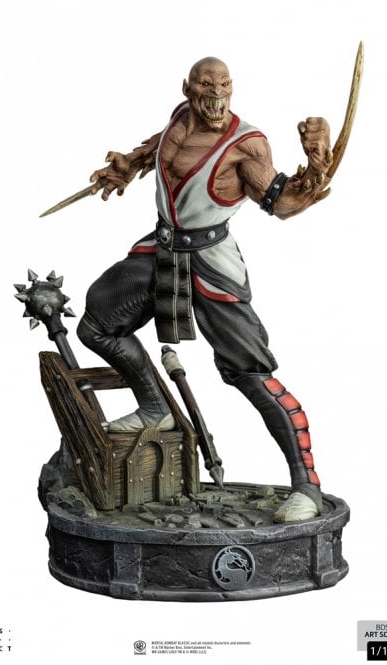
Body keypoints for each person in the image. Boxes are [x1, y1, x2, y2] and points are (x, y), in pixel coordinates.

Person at [76, 57, 332, 522]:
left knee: (248, 372)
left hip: (210, 263)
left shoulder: (246, 145)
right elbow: (163, 148)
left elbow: (284, 202)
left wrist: (317, 164)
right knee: (97, 323)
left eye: (224, 86)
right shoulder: (180, 117)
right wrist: (128, 166)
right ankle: (155, 408)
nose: (216, 96)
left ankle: (307, 487)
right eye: (206, 86)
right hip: (163, 249)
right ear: (188, 90)